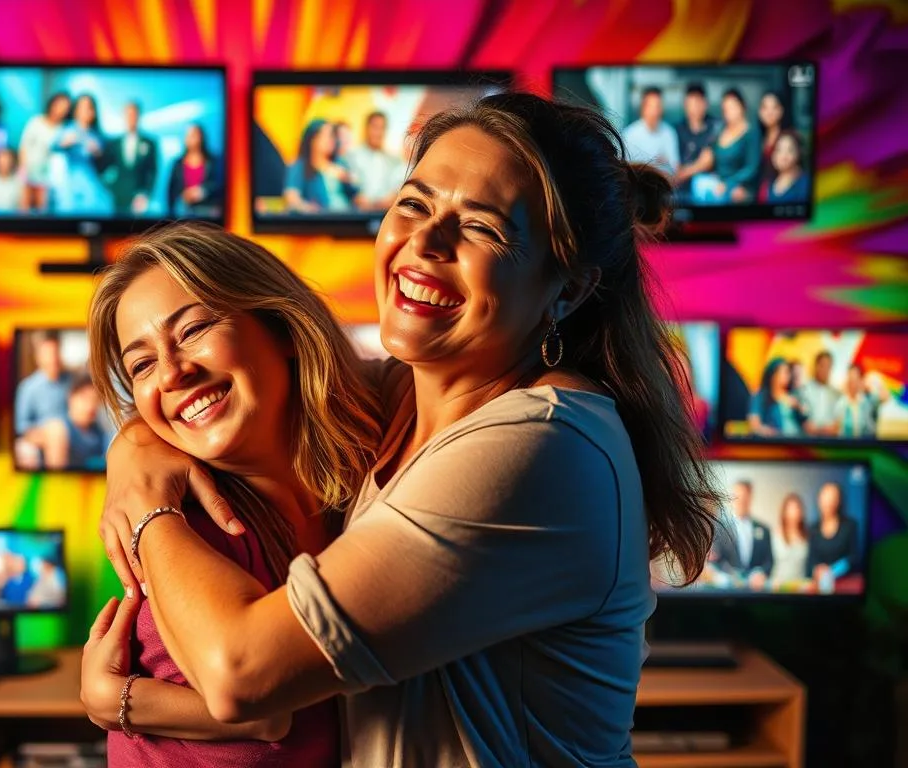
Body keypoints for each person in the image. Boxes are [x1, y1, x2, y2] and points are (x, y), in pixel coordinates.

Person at [93, 93, 720, 766]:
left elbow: (240, 672)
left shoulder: (542, 445)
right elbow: (230, 381)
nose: (423, 244)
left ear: (565, 291)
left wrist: (150, 513)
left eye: (481, 228)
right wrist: (134, 444)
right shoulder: (407, 396)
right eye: (414, 204)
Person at [80, 222, 379, 765]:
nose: (172, 373)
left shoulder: (371, 478)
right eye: (142, 364)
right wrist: (120, 700)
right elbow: (259, 709)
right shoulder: (190, 533)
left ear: (282, 326)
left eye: (193, 330)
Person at [693, 89, 760, 204]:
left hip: (739, 184)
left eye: (733, 107)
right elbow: (712, 156)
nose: (729, 112)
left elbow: (751, 168)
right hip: (718, 181)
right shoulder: (721, 129)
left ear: (743, 106)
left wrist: (729, 183)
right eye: (726, 109)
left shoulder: (751, 133)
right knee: (698, 183)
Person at [49, 94, 112, 216]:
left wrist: (98, 153)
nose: (85, 112)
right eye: (82, 107)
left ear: (93, 112)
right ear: (75, 110)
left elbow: (105, 163)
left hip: (92, 182)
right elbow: (53, 148)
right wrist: (64, 143)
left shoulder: (96, 135)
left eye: (88, 108)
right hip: (70, 181)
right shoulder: (67, 129)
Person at [284, 119, 357, 213]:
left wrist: (348, 178)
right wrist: (310, 209)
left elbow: (356, 193)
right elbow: (291, 197)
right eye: (327, 135)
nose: (331, 140)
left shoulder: (340, 163)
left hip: (348, 219)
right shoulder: (300, 166)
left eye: (333, 136)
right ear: (313, 140)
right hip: (321, 222)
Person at [712, 480, 774, 587]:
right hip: (729, 590)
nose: (741, 501)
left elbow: (769, 561)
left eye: (745, 497)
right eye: (737, 497)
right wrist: (729, 575)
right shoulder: (721, 529)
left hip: (756, 590)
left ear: (750, 498)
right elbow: (716, 560)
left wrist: (761, 573)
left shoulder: (763, 529)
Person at [19, 92, 73, 211]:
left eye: (65, 107)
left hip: (47, 174)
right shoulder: (36, 121)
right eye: (59, 105)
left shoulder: (64, 128)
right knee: (24, 208)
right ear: (52, 104)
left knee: (42, 208)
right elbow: (24, 146)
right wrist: (23, 170)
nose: (61, 110)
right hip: (28, 169)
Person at [344, 111, 407, 211]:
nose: (378, 132)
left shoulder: (394, 160)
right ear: (366, 128)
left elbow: (399, 189)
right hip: (358, 217)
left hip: (385, 215)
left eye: (382, 128)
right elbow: (349, 187)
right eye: (375, 127)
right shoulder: (352, 156)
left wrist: (390, 199)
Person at [807, 482, 860, 591]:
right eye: (825, 498)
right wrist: (817, 570)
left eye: (832, 498)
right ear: (819, 500)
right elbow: (810, 560)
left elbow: (854, 557)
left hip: (844, 584)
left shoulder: (849, 525)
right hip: (820, 586)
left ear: (838, 501)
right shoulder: (813, 528)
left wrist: (832, 571)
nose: (828, 502)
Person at [166, 123, 223, 218]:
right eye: (188, 135)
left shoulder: (213, 161)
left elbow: (219, 186)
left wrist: (202, 192)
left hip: (208, 214)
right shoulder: (177, 163)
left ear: (201, 137)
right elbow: (171, 192)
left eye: (194, 135)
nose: (191, 138)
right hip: (183, 215)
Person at [621, 86, 679, 175]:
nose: (655, 111)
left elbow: (675, 168)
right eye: (651, 106)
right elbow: (624, 168)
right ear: (643, 108)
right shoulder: (629, 134)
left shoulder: (669, 132)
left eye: (658, 106)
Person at [674, 83, 721, 194]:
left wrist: (683, 173)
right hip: (681, 191)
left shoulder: (715, 126)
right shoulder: (677, 129)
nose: (694, 108)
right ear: (685, 105)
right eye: (691, 103)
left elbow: (707, 161)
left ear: (705, 104)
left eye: (698, 103)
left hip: (707, 189)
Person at [835, 363, 885, 438]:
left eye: (855, 378)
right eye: (850, 378)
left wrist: (868, 388)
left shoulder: (868, 400)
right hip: (845, 445)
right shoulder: (841, 402)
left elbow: (884, 397)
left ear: (861, 380)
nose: (852, 383)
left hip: (866, 444)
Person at [770, 493, 810, 587]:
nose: (794, 512)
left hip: (800, 587)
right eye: (790, 508)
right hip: (777, 587)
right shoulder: (774, 534)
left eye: (797, 508)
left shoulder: (807, 536)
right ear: (784, 511)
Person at [761, 130, 810, 204]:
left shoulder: (805, 184)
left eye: (790, 150)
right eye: (779, 150)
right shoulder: (768, 186)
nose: (783, 156)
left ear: (798, 153)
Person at [799, 350, 840, 437]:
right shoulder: (804, 390)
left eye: (828, 367)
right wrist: (818, 430)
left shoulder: (836, 394)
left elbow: (838, 425)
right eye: (822, 365)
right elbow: (805, 423)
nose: (825, 370)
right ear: (816, 366)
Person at [757, 91, 790, 187]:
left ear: (781, 111)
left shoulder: (787, 138)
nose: (769, 112)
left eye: (774, 108)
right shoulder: (758, 137)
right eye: (765, 108)